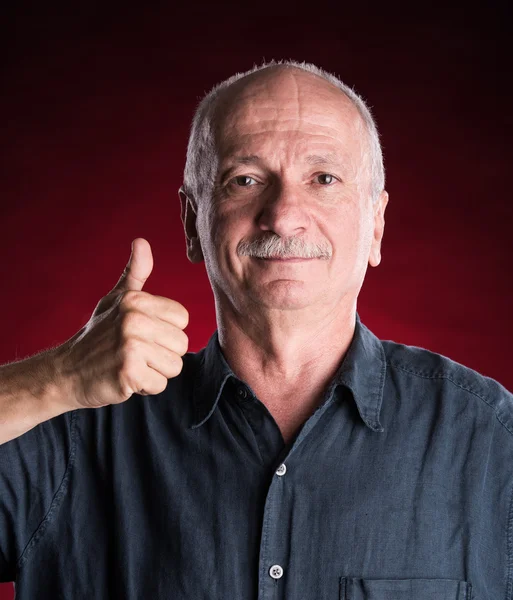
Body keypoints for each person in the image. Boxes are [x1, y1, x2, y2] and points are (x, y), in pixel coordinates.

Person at [0, 59, 511, 599]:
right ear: (193, 222)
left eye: (324, 178)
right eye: (245, 180)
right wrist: (55, 378)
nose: (285, 214)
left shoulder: (487, 438)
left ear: (376, 225)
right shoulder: (72, 431)